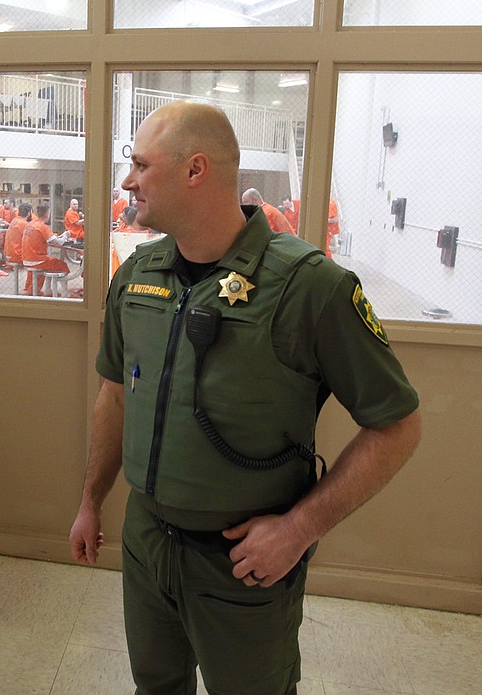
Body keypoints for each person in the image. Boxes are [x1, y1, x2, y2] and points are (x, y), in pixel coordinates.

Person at [68, 101, 421, 695]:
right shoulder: (137, 276)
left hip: (242, 563)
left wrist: (298, 529)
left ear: (195, 169)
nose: (128, 180)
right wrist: (91, 500)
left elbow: (397, 427)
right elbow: (114, 395)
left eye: (140, 164)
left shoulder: (310, 287)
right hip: (147, 539)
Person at [21, 203, 71, 296]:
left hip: (26, 258)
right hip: (37, 260)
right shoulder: (43, 227)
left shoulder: (31, 224)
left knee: (51, 262)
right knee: (62, 265)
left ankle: (48, 290)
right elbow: (58, 243)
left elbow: (47, 239)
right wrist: (65, 236)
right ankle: (65, 293)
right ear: (47, 214)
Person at [4, 202, 33, 293]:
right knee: (37, 260)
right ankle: (31, 289)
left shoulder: (14, 220)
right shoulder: (24, 224)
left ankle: (29, 287)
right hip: (17, 255)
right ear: (29, 213)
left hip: (8, 253)